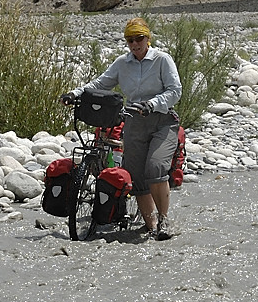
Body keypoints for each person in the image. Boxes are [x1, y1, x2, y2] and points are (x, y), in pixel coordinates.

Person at [62, 17, 182, 240]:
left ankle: (164, 222)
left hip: (162, 121)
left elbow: (175, 90)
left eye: (139, 38)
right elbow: (100, 84)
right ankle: (150, 224)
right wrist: (75, 94)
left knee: (155, 168)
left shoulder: (162, 60)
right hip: (134, 123)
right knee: (135, 176)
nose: (135, 43)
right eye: (130, 40)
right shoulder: (122, 63)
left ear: (148, 38)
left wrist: (152, 104)